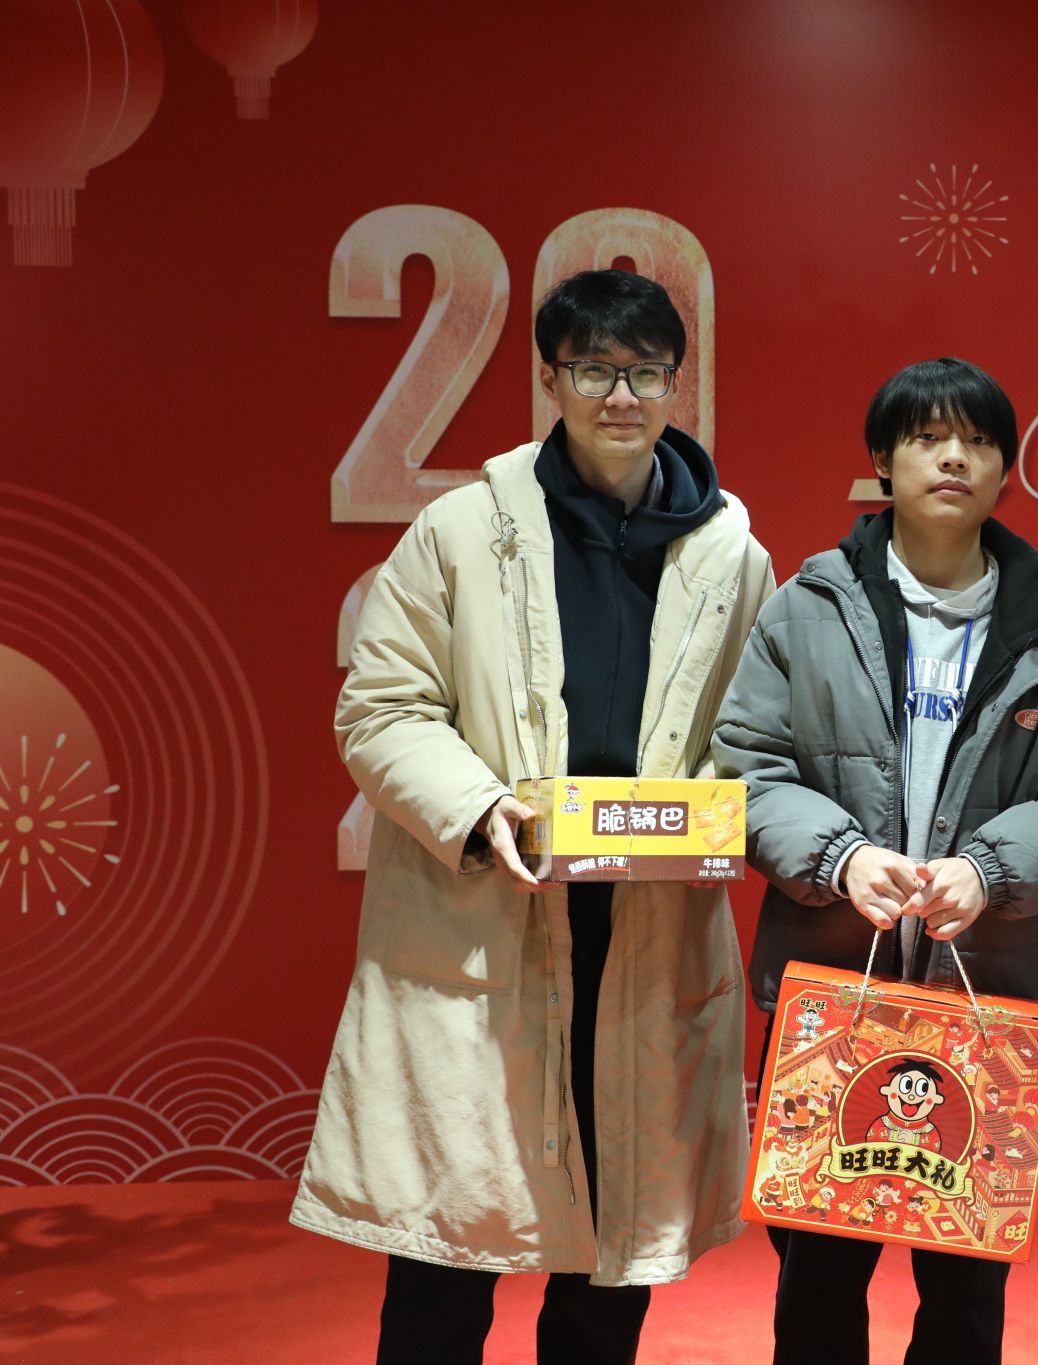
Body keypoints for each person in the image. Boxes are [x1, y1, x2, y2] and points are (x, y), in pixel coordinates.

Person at [293, 269, 776, 1364]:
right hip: (484, 915)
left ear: (677, 382)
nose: (621, 397)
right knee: (444, 1248)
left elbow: (756, 728)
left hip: (643, 925)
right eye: (595, 371)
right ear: (550, 378)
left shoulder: (732, 555)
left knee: (616, 1245)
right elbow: (381, 707)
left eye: (645, 372)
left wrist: (712, 813)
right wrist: (479, 807)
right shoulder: (462, 530)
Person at [713, 356, 1038, 1365]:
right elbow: (743, 768)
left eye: (977, 440)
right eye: (926, 438)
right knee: (816, 1264)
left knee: (965, 1278)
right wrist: (838, 856)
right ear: (882, 460)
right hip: (838, 986)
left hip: (991, 998)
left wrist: (992, 870)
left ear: (1005, 466)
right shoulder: (807, 605)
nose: (953, 458)